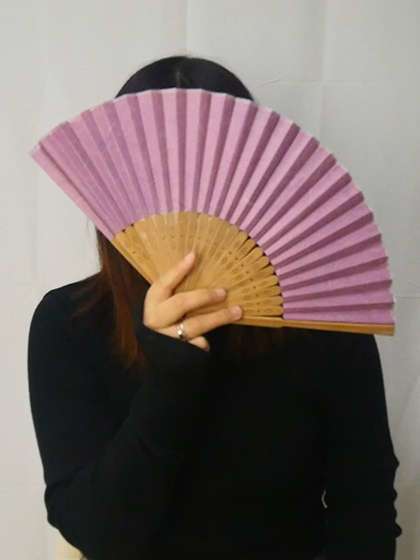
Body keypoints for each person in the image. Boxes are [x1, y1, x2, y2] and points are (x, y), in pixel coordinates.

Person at [27, 55, 402, 560]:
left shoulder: (325, 322)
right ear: (114, 192)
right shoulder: (68, 324)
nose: (189, 211)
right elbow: (95, 533)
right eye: (157, 181)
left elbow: (366, 517)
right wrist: (170, 381)